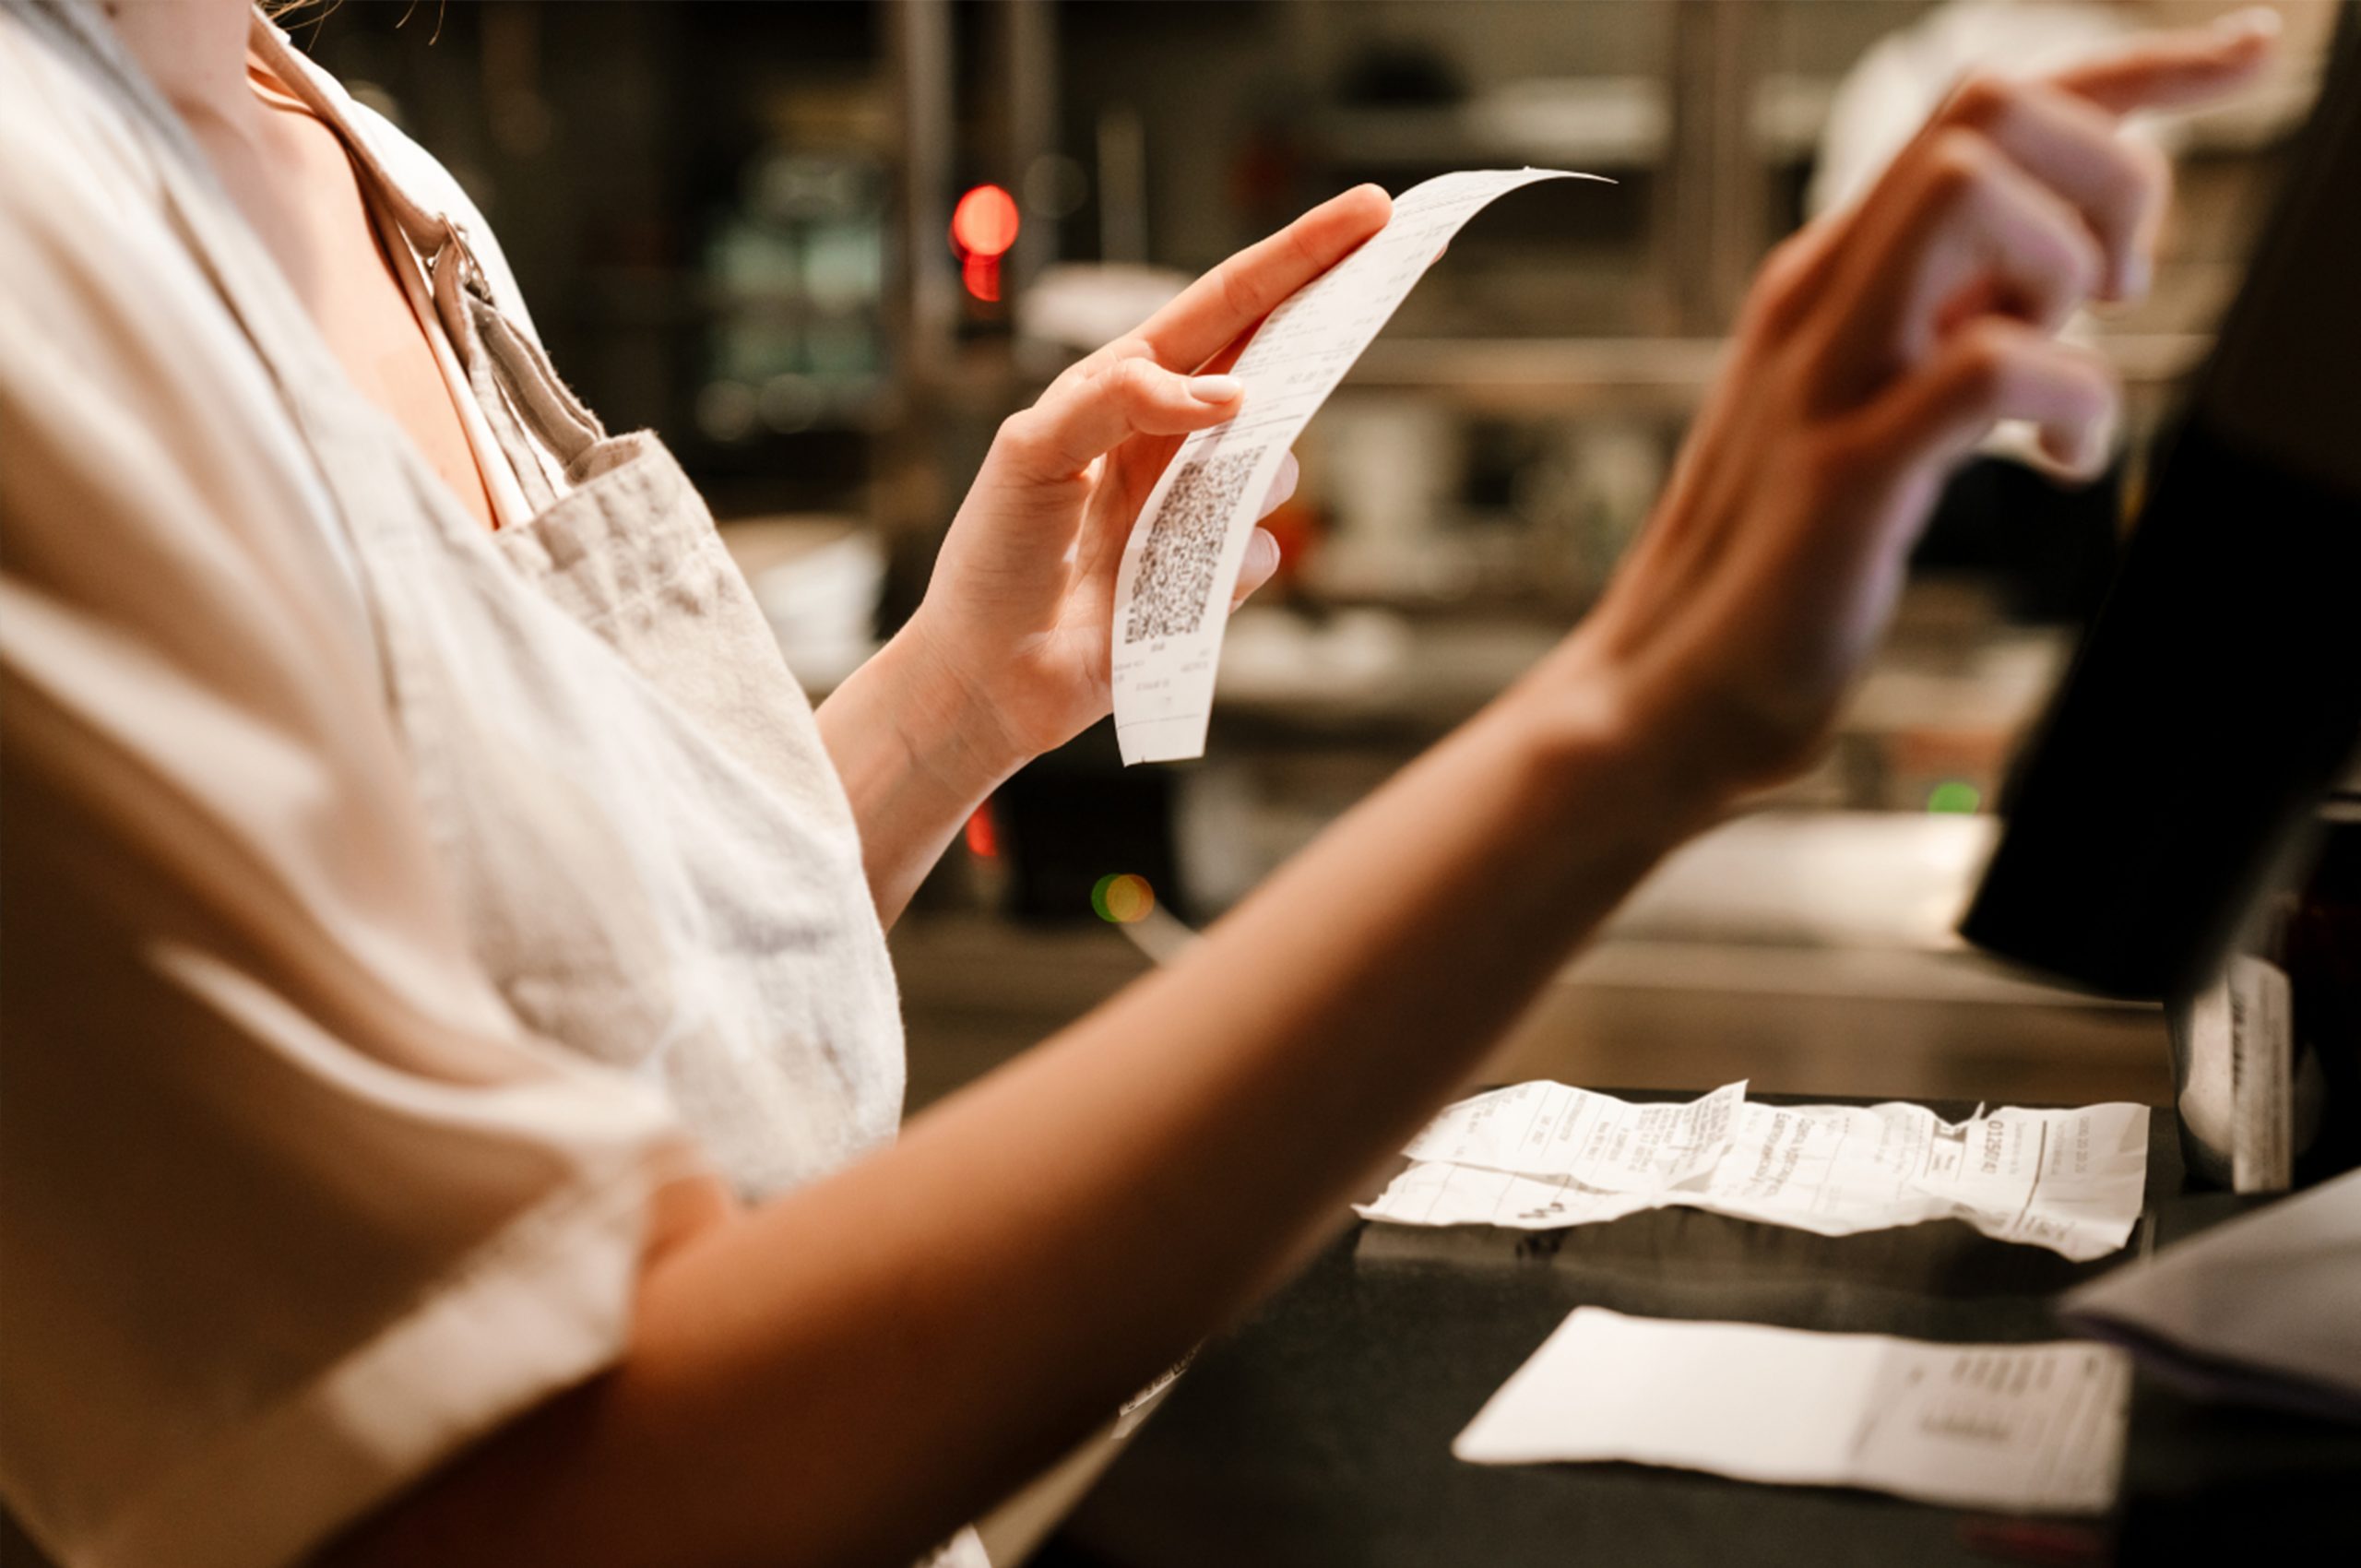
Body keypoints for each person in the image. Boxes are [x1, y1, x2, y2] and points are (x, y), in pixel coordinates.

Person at [0, 1, 2275, 1564]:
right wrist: (1636, 711)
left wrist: (944, 703)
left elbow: (592, 1018)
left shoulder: (323, 135)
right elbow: (527, 1497)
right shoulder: (43, 232)